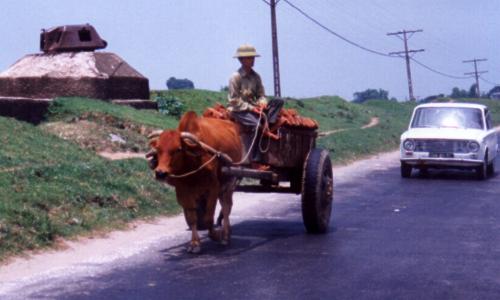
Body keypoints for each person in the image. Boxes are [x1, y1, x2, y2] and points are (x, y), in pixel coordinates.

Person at [227, 44, 284, 163]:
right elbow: (234, 100)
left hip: (255, 108)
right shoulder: (235, 77)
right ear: (241, 60)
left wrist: (262, 103)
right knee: (257, 125)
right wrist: (252, 108)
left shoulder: (256, 76)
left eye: (253, 57)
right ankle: (254, 159)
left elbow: (261, 95)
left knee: (278, 101)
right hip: (239, 110)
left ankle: (268, 121)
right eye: (249, 58)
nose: (252, 60)